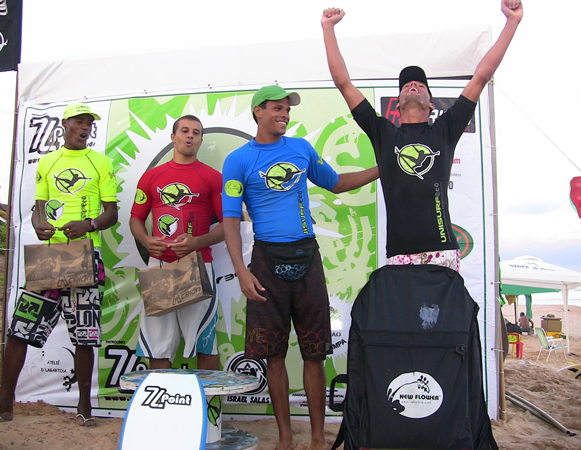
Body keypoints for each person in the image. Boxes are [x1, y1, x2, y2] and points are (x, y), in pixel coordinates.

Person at [222, 85, 379, 450]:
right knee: (273, 356)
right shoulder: (238, 160)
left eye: (287, 110)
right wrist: (242, 272)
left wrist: (381, 168)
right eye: (277, 108)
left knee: (314, 353)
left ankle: (317, 440)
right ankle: (285, 438)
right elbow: (230, 220)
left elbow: (337, 183)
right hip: (265, 262)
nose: (285, 114)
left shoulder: (301, 149)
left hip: (307, 258)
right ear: (258, 111)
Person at [322, 0, 523, 270]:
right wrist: (328, 28)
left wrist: (511, 22)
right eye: (406, 85)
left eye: (420, 84)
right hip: (400, 253)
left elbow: (481, 77)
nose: (413, 85)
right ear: (397, 102)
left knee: (448, 315)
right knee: (403, 315)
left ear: (431, 104)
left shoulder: (445, 129)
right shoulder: (383, 133)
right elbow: (343, 82)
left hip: (442, 251)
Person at [0, 102, 118, 426]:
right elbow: (37, 208)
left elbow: (111, 213)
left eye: (88, 124)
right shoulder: (47, 161)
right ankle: (4, 403)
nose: (84, 128)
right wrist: (39, 223)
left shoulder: (100, 162)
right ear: (64, 125)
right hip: (50, 258)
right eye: (79, 122)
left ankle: (85, 407)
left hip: (85, 252)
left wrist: (89, 224)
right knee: (20, 330)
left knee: (84, 336)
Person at [130, 115, 223, 371]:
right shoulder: (150, 177)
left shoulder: (213, 177)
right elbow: (135, 219)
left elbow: (230, 225)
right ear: (173, 137)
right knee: (157, 346)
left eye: (196, 132)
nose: (190, 136)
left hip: (198, 265)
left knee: (205, 343)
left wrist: (198, 242)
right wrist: (147, 240)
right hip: (159, 266)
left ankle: (208, 410)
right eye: (185, 130)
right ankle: (161, 408)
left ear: (201, 140)